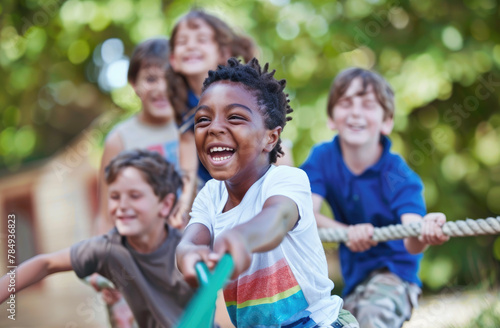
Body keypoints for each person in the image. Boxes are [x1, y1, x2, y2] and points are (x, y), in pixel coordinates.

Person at [176, 58, 359, 328]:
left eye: (235, 117)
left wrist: (242, 237)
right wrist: (189, 257)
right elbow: (189, 243)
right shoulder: (210, 196)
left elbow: (276, 219)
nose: (213, 128)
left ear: (270, 138)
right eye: (203, 119)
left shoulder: (286, 180)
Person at [300, 68, 450, 328]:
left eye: (368, 105)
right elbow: (303, 212)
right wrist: (347, 232)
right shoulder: (322, 158)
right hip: (354, 279)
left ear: (387, 121)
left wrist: (426, 230)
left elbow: (411, 239)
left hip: (395, 276)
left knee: (372, 318)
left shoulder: (398, 174)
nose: (356, 112)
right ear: (331, 118)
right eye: (346, 103)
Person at [0, 150, 194, 328]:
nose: (122, 206)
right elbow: (46, 263)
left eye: (135, 196)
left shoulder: (188, 245)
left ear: (166, 204)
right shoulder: (109, 248)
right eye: (115, 196)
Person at [167, 9, 292, 189]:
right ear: (173, 59)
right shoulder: (173, 109)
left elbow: (279, 155)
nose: (190, 46)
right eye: (182, 42)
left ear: (224, 52)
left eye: (201, 40)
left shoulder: (246, 96)